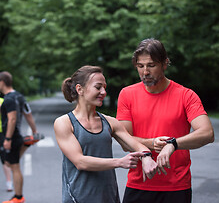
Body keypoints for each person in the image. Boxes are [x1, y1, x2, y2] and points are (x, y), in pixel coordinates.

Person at [116, 38, 215, 203]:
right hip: (139, 183)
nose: (145, 72)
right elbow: (124, 141)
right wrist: (151, 143)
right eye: (140, 66)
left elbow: (207, 133)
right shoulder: (127, 94)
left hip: (176, 186)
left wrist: (172, 144)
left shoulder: (186, 95)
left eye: (151, 65)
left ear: (165, 63)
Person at [54, 66, 157, 203]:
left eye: (104, 87)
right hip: (78, 199)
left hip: (109, 198)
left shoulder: (110, 122)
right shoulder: (64, 123)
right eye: (98, 87)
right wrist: (119, 162)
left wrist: (147, 157)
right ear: (80, 89)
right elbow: (80, 162)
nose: (103, 92)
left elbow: (136, 145)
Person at [0, 71, 39, 203]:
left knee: (14, 166)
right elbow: (28, 114)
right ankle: (26, 142)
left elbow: (12, 119)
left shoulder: (8, 99)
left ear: (2, 82)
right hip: (16, 136)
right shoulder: (19, 96)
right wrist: (34, 131)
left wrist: (8, 139)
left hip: (12, 137)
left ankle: (18, 197)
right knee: (9, 163)